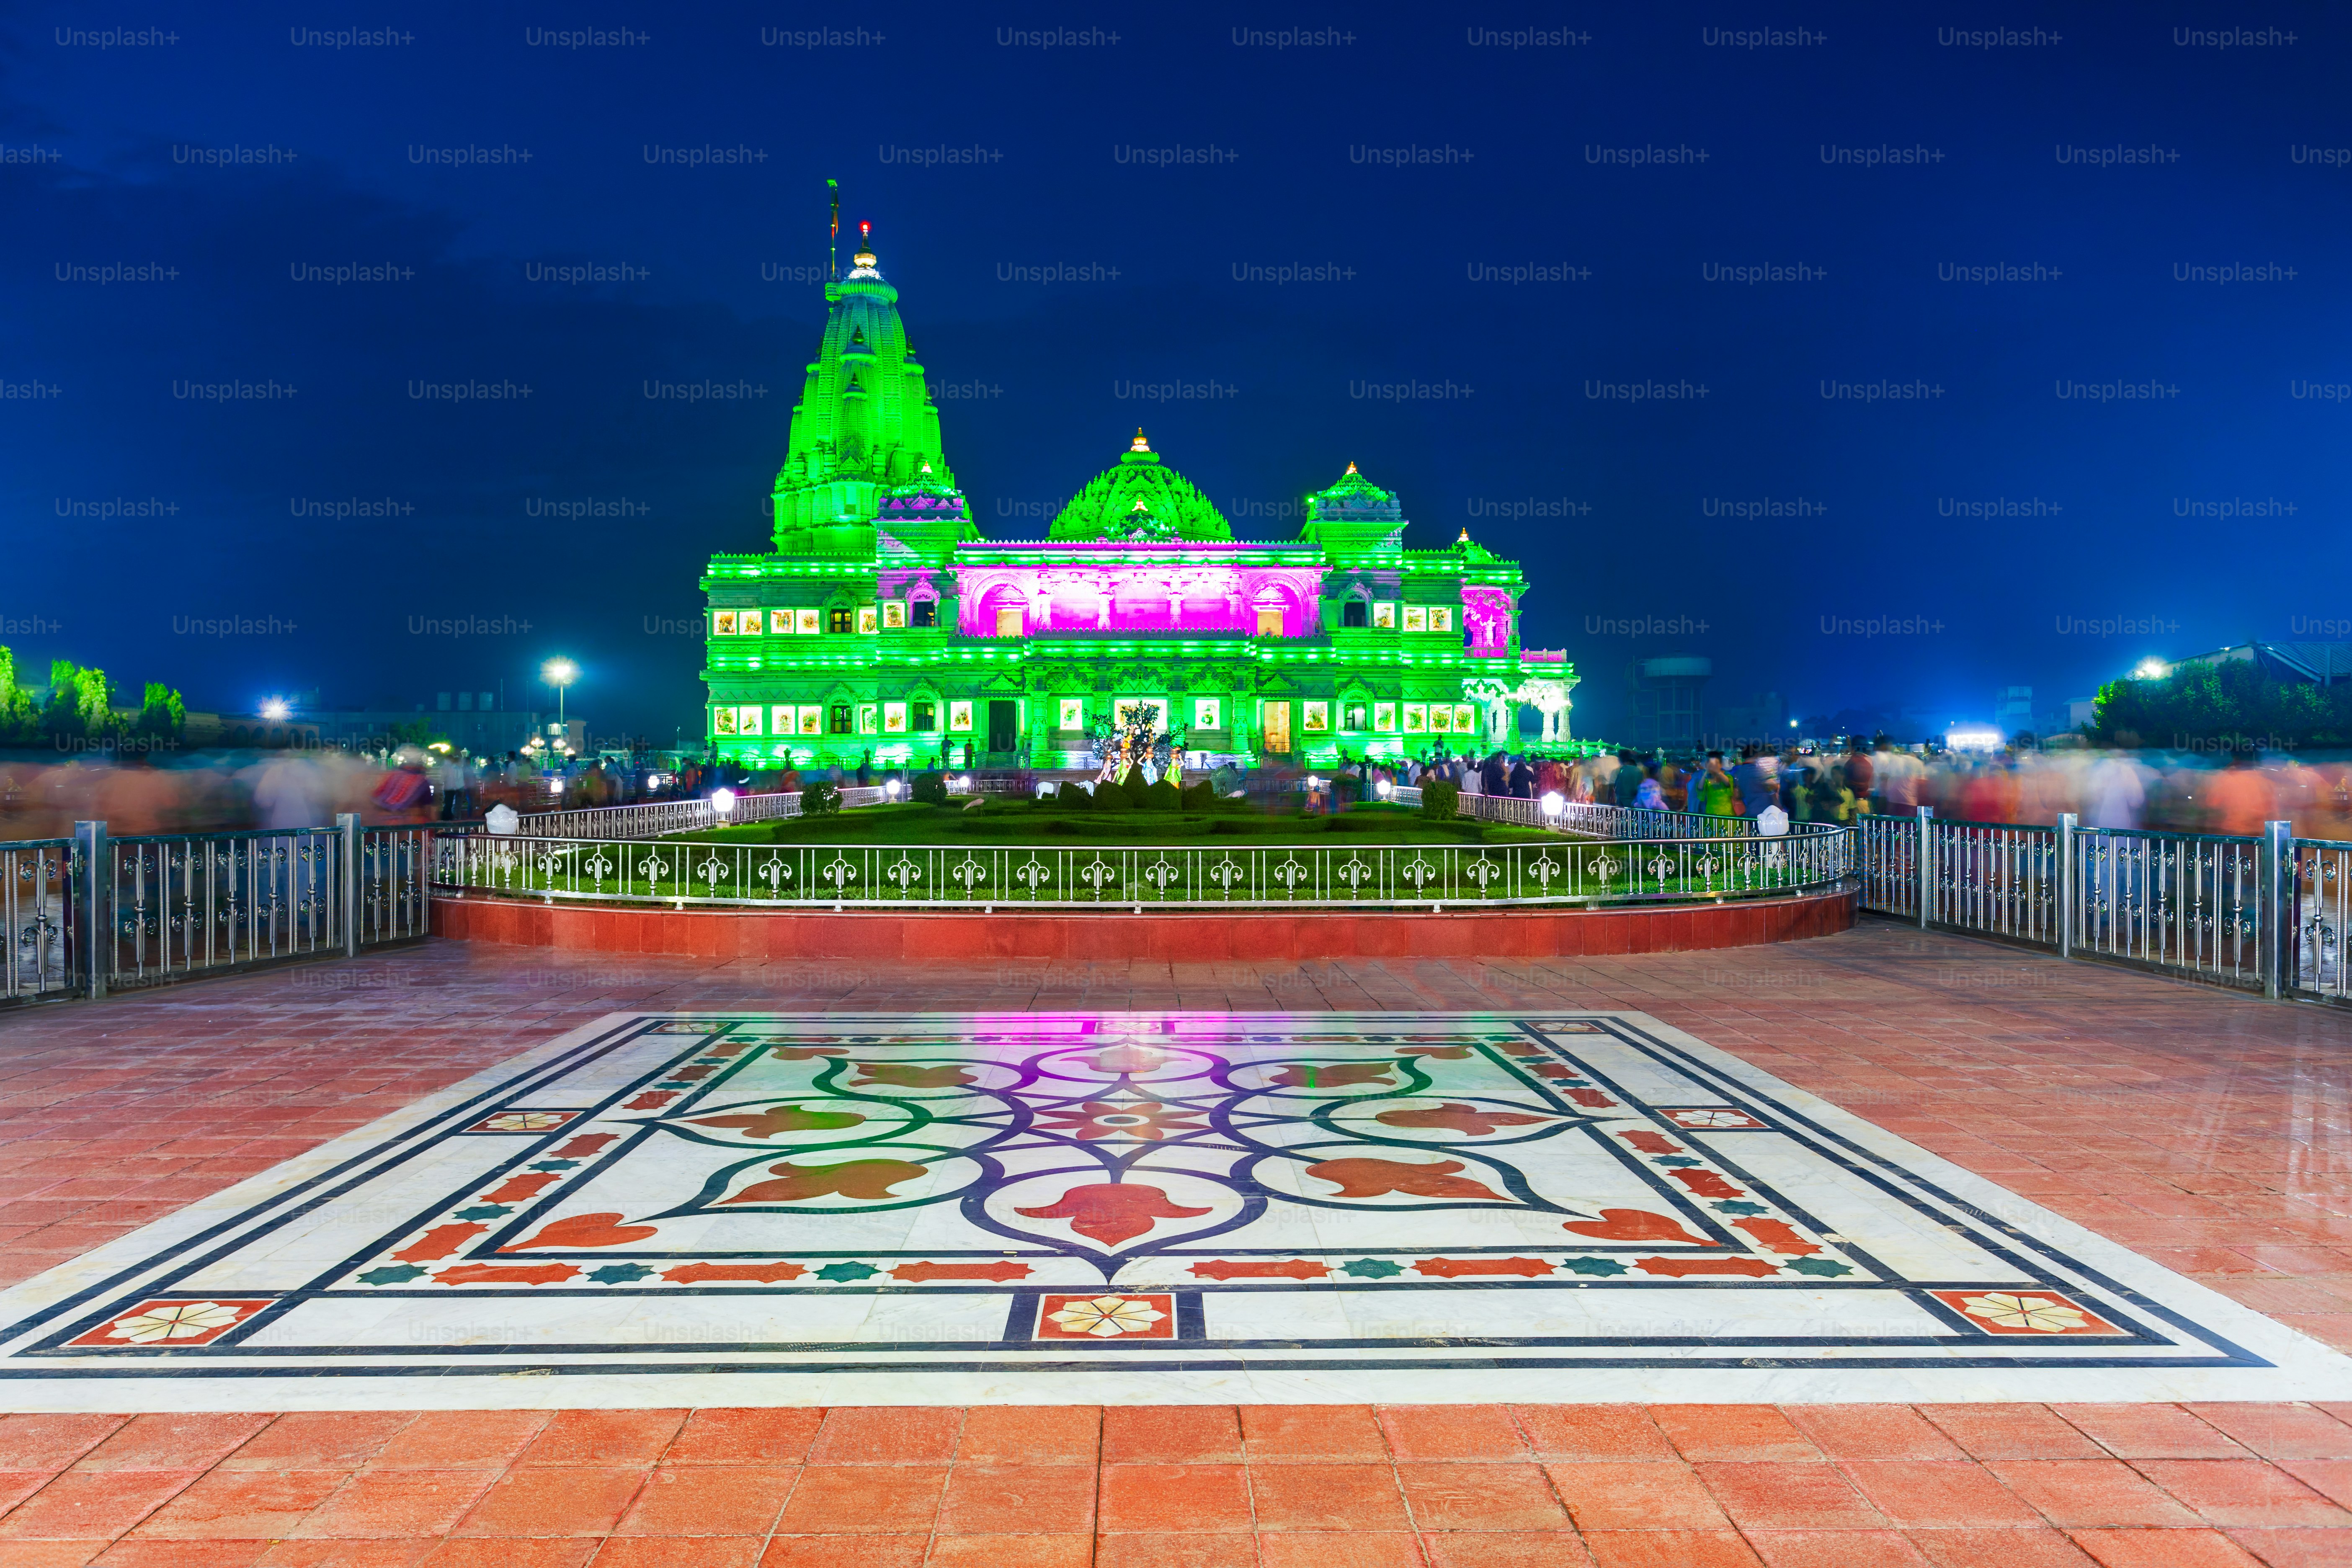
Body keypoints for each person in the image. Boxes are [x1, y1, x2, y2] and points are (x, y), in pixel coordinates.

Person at [1693, 752, 1738, 817]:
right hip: (1711, 811)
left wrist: (1717, 771)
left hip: (1726, 812)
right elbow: (1700, 788)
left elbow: (1728, 783)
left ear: (1720, 764)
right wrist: (1706, 773)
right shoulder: (1707, 777)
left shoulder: (1726, 774)